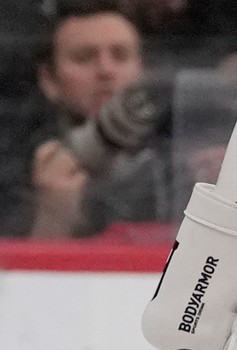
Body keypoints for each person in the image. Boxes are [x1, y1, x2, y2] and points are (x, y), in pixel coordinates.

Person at [0, 0, 169, 238]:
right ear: (48, 80)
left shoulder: (175, 155)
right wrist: (53, 214)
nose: (105, 70)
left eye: (120, 56)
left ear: (142, 70)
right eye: (84, 57)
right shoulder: (13, 164)